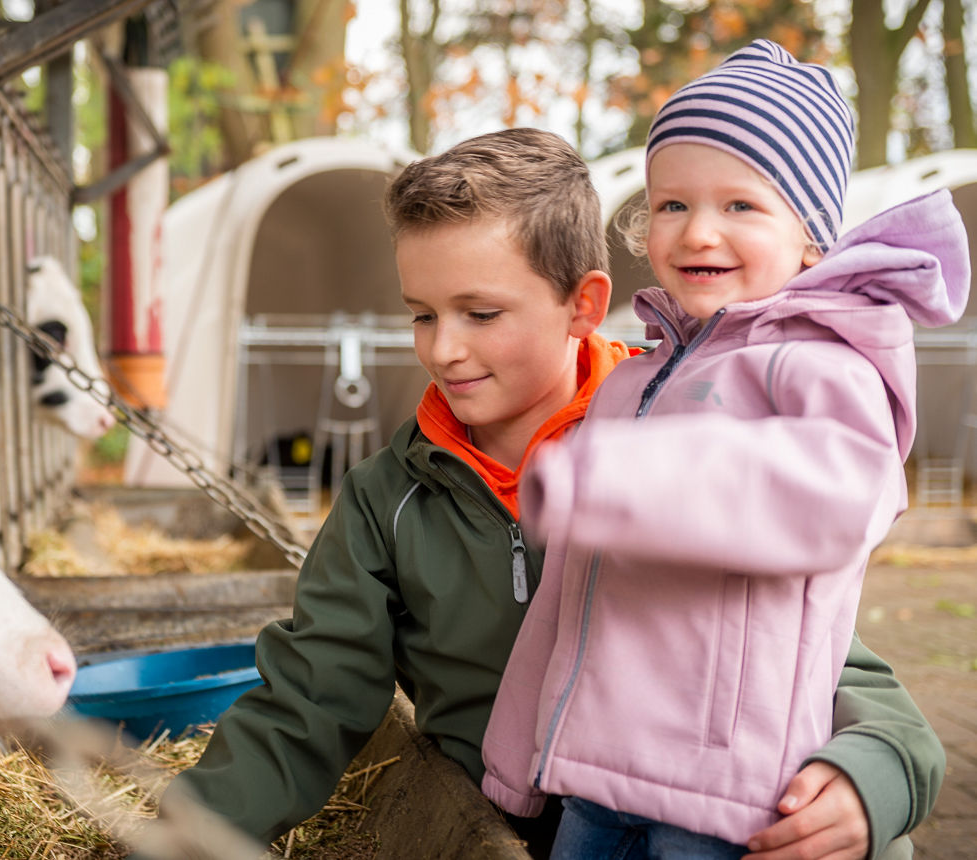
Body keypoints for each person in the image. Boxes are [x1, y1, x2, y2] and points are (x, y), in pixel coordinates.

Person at [155, 127, 946, 859]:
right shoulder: (386, 500)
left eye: (481, 312)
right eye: (422, 315)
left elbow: (813, 640)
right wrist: (172, 838)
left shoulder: (672, 456)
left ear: (585, 304)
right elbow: (309, 697)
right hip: (504, 830)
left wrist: (877, 769)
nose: (443, 349)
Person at [481, 41, 966, 859]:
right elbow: (570, 597)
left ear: (812, 236)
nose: (697, 228)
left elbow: (821, 501)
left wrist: (615, 482)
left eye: (741, 205)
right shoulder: (632, 386)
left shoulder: (826, 367)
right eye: (670, 204)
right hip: (591, 778)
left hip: (717, 795)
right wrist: (513, 763)